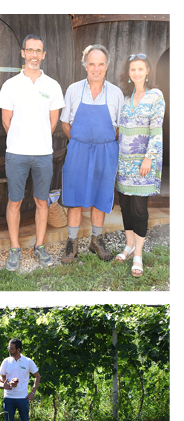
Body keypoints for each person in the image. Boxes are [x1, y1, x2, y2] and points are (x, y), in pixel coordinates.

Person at [0, 34, 65, 269]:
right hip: (16, 153)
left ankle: (40, 246)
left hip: (43, 154)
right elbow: (7, 121)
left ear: (43, 55)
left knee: (41, 201)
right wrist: (21, 139)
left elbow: (53, 121)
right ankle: (15, 248)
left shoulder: (52, 85)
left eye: (39, 51)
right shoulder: (11, 85)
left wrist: (39, 139)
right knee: (14, 201)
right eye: (30, 50)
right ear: (23, 53)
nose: (34, 55)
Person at [60, 44, 124, 264]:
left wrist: (101, 142)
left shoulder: (116, 93)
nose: (96, 68)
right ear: (85, 65)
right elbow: (65, 123)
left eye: (101, 64)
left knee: (100, 195)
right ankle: (72, 243)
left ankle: (96, 239)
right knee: (75, 196)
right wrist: (80, 141)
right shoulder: (73, 90)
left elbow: (119, 127)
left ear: (107, 66)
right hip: (78, 150)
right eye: (92, 64)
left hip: (106, 151)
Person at [114, 53, 165, 277]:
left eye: (140, 69)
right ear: (128, 73)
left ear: (147, 72)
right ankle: (129, 244)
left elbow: (157, 130)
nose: (136, 73)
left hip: (144, 162)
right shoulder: (125, 97)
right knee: (125, 205)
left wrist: (148, 157)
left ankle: (138, 255)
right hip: (123, 161)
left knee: (139, 208)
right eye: (132, 69)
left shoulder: (155, 96)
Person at [0, 338, 40, 421]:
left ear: (18, 349)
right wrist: (5, 382)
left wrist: (32, 392)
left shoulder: (27, 361)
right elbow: (1, 376)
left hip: (22, 398)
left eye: (11, 348)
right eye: (8, 348)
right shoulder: (6, 361)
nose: (9, 350)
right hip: (9, 397)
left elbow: (37, 376)